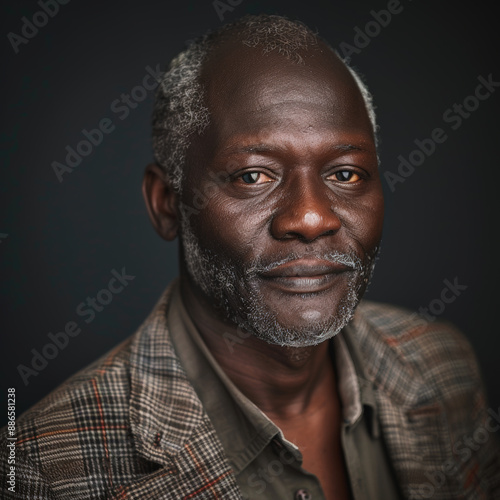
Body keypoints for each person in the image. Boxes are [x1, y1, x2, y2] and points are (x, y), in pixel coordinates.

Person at [1, 14, 499, 500]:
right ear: (167, 204)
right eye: (253, 176)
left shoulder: (444, 366)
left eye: (345, 174)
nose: (310, 218)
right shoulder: (42, 472)